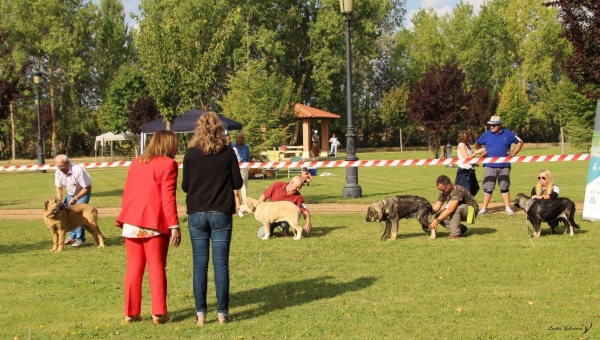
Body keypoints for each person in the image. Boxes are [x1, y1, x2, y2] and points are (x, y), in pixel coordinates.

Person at [182, 112, 243, 325]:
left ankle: (200, 314)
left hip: (197, 213)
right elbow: (238, 183)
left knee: (199, 264)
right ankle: (222, 313)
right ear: (219, 129)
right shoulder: (228, 153)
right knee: (221, 264)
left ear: (198, 129)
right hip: (221, 213)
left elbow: (185, 186)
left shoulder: (190, 154)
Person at [115, 130, 181, 325]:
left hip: (132, 221)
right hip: (154, 223)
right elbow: (168, 197)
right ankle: (159, 313)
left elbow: (127, 192)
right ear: (168, 144)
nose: (177, 148)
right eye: (175, 144)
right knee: (156, 267)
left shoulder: (136, 162)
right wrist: (174, 225)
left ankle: (131, 313)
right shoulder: (169, 164)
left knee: (134, 268)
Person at [474, 115, 524, 215]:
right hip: (489, 165)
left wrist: (513, 154)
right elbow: (477, 144)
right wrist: (481, 152)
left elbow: (520, 142)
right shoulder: (487, 134)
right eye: (490, 125)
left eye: (494, 125)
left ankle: (507, 208)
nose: (491, 127)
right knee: (488, 187)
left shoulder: (508, 133)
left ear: (499, 125)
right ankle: (484, 208)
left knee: (504, 186)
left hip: (504, 165)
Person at [54, 154, 92, 248]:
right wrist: (60, 202)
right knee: (66, 212)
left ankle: (80, 239)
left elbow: (87, 187)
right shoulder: (58, 172)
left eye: (62, 166)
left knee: (78, 214)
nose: (60, 168)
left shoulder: (78, 170)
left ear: (67, 163)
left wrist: (76, 198)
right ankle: (72, 236)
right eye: (58, 166)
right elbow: (58, 189)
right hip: (70, 194)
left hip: (82, 192)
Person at [429, 175, 479, 239]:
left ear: (449, 185)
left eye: (443, 190)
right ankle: (461, 229)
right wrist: (426, 214)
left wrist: (437, 221)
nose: (441, 192)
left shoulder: (457, 190)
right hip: (460, 209)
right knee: (438, 215)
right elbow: (437, 206)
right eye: (440, 190)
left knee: (455, 209)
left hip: (472, 211)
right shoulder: (443, 192)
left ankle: (455, 234)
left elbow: (451, 209)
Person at [455, 129, 485, 196]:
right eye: (469, 135)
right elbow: (466, 158)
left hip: (470, 170)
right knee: (463, 190)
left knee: (473, 188)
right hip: (464, 170)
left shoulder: (467, 145)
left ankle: (469, 204)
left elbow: (470, 157)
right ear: (465, 136)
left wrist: (474, 163)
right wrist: (476, 152)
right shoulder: (461, 145)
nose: (471, 137)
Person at [232, 132, 250, 212]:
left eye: (242, 138)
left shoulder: (246, 147)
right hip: (234, 167)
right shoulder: (232, 146)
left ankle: (245, 205)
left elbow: (248, 157)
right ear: (236, 138)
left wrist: (248, 166)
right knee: (234, 188)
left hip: (244, 168)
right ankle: (235, 205)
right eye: (239, 138)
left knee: (244, 187)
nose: (241, 139)